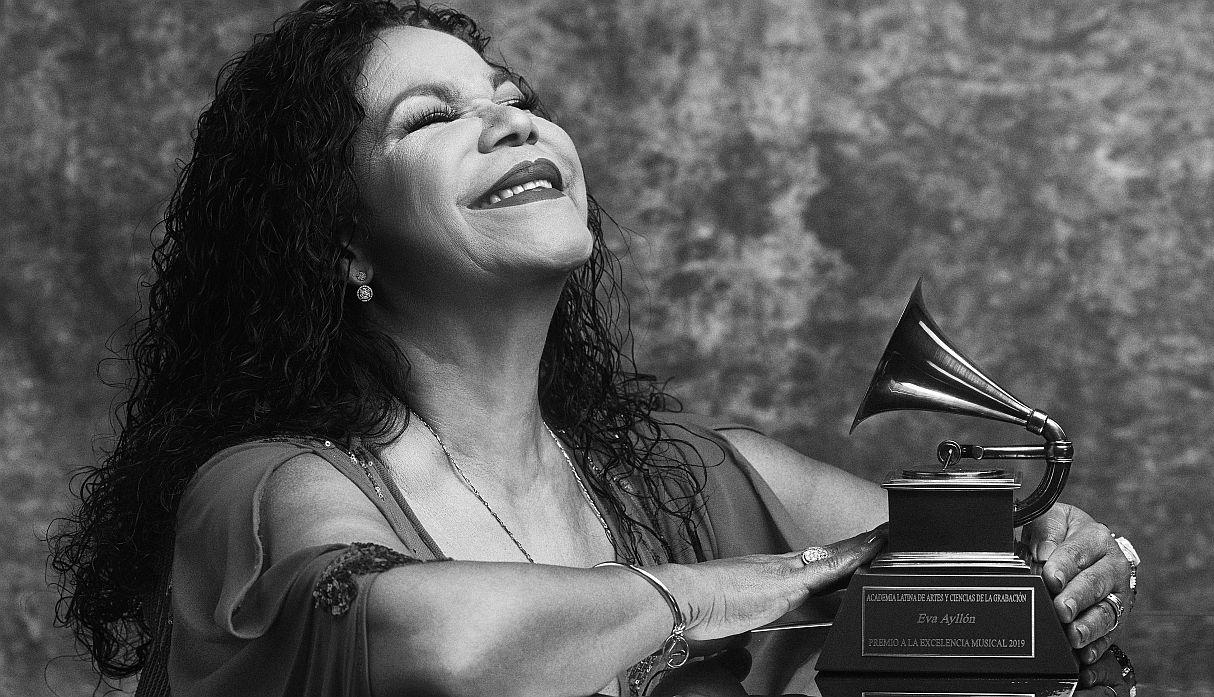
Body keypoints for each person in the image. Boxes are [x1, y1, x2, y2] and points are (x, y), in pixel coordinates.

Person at [50, 2, 1140, 695]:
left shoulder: (697, 475)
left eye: (514, 101)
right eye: (431, 117)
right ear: (339, 242)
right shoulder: (262, 489)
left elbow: (977, 562)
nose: (513, 122)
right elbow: (443, 648)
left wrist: (1066, 555)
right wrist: (750, 587)